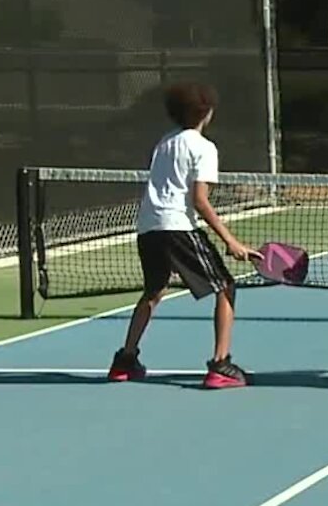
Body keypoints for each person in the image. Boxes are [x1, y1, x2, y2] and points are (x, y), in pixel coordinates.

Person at [106, 81, 262, 389]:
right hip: (177, 226)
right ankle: (221, 364)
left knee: (153, 291)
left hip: (148, 227)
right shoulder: (204, 148)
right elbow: (200, 201)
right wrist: (231, 241)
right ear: (208, 113)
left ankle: (125, 360)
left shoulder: (163, 142)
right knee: (226, 286)